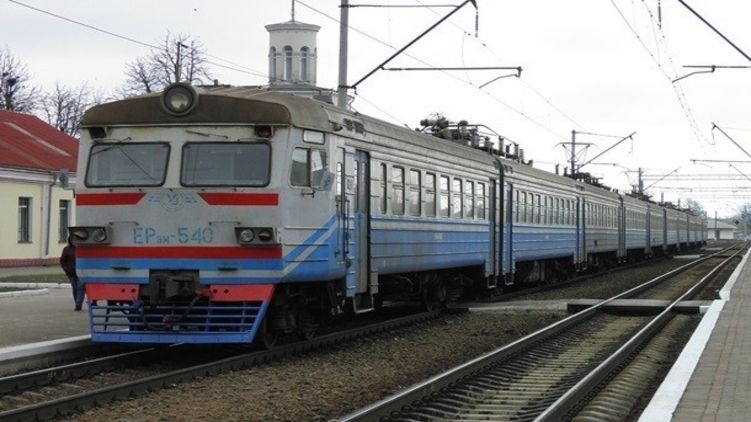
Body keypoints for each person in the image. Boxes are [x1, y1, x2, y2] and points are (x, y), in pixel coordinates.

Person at [60, 237, 84, 310]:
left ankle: (78, 304)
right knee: (75, 288)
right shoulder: (66, 249)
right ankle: (77, 302)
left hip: (81, 272)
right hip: (71, 272)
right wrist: (66, 269)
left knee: (80, 287)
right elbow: (62, 260)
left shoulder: (81, 249)